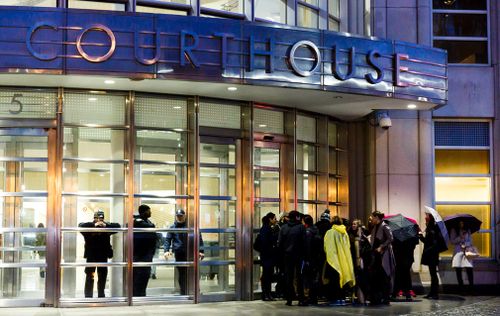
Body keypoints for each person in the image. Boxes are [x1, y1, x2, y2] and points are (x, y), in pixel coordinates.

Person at [79, 210, 120, 298]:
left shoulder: (106, 226)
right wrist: (94, 226)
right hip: (91, 255)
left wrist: (106, 225)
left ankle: (101, 295)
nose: (99, 220)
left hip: (103, 255)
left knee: (102, 276)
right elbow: (80, 225)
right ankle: (88, 296)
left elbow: (118, 226)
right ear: (94, 218)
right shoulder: (89, 226)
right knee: (90, 276)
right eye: (97, 218)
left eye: (101, 218)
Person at [164, 209, 204, 295]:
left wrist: (201, 251)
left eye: (181, 216)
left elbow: (199, 239)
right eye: (178, 216)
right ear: (176, 216)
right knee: (182, 273)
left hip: (191, 252)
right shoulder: (172, 227)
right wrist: (166, 251)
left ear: (184, 216)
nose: (179, 217)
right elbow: (167, 240)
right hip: (179, 253)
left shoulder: (191, 226)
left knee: (193, 272)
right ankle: (184, 292)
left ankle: (195, 290)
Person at [324, 215, 355, 306]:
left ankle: (335, 299)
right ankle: (342, 299)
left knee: (334, 280)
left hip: (334, 260)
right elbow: (348, 246)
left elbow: (328, 247)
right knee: (343, 278)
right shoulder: (344, 233)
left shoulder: (330, 232)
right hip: (344, 259)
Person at [278, 210, 305, 306]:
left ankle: (289, 299)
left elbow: (280, 243)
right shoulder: (301, 227)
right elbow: (304, 242)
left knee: (288, 277)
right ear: (297, 217)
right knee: (299, 277)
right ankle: (301, 299)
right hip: (299, 256)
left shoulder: (283, 228)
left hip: (287, 256)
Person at [368, 211, 395, 306]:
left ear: (377, 217)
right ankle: (377, 298)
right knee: (376, 277)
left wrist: (382, 246)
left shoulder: (384, 226)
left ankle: (386, 298)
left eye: (372, 217)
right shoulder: (375, 227)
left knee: (385, 276)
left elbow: (391, 238)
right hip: (376, 255)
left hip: (383, 255)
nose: (371, 219)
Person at [133, 204, 157, 297]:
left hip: (147, 253)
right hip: (140, 254)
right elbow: (150, 227)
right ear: (144, 211)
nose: (150, 212)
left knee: (145, 275)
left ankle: (142, 293)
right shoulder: (137, 221)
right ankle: (137, 294)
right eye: (149, 210)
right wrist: (153, 227)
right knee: (139, 275)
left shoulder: (147, 221)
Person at [256, 213, 278, 301]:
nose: (275, 220)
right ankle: (266, 294)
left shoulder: (264, 229)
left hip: (266, 256)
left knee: (266, 275)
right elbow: (267, 243)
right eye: (274, 218)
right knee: (267, 276)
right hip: (267, 257)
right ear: (270, 219)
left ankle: (266, 294)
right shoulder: (266, 229)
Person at [347, 219, 370, 304]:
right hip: (351, 258)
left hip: (360, 259)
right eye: (352, 224)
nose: (353, 225)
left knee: (360, 277)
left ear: (358, 226)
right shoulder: (349, 233)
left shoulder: (363, 235)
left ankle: (361, 296)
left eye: (355, 224)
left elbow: (366, 247)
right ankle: (353, 295)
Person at [419, 211, 440, 299]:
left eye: (427, 216)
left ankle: (434, 293)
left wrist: (428, 248)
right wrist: (421, 237)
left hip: (432, 255)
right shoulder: (429, 228)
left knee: (433, 274)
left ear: (430, 218)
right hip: (431, 254)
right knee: (432, 273)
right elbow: (427, 242)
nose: (425, 217)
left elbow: (434, 243)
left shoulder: (433, 228)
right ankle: (432, 292)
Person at [450, 221, 474, 294]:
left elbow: (470, 241)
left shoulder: (468, 230)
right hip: (458, 252)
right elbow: (452, 241)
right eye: (460, 223)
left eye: (463, 223)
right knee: (458, 270)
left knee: (469, 269)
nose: (461, 224)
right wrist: (460, 237)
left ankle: (471, 289)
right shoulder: (454, 230)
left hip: (467, 251)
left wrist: (465, 243)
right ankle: (461, 289)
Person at [302, 214, 321, 305]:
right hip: (316, 259)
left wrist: (307, 259)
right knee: (314, 278)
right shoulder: (316, 230)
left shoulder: (308, 232)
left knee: (308, 279)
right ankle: (314, 297)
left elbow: (307, 247)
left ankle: (310, 297)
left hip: (310, 259)